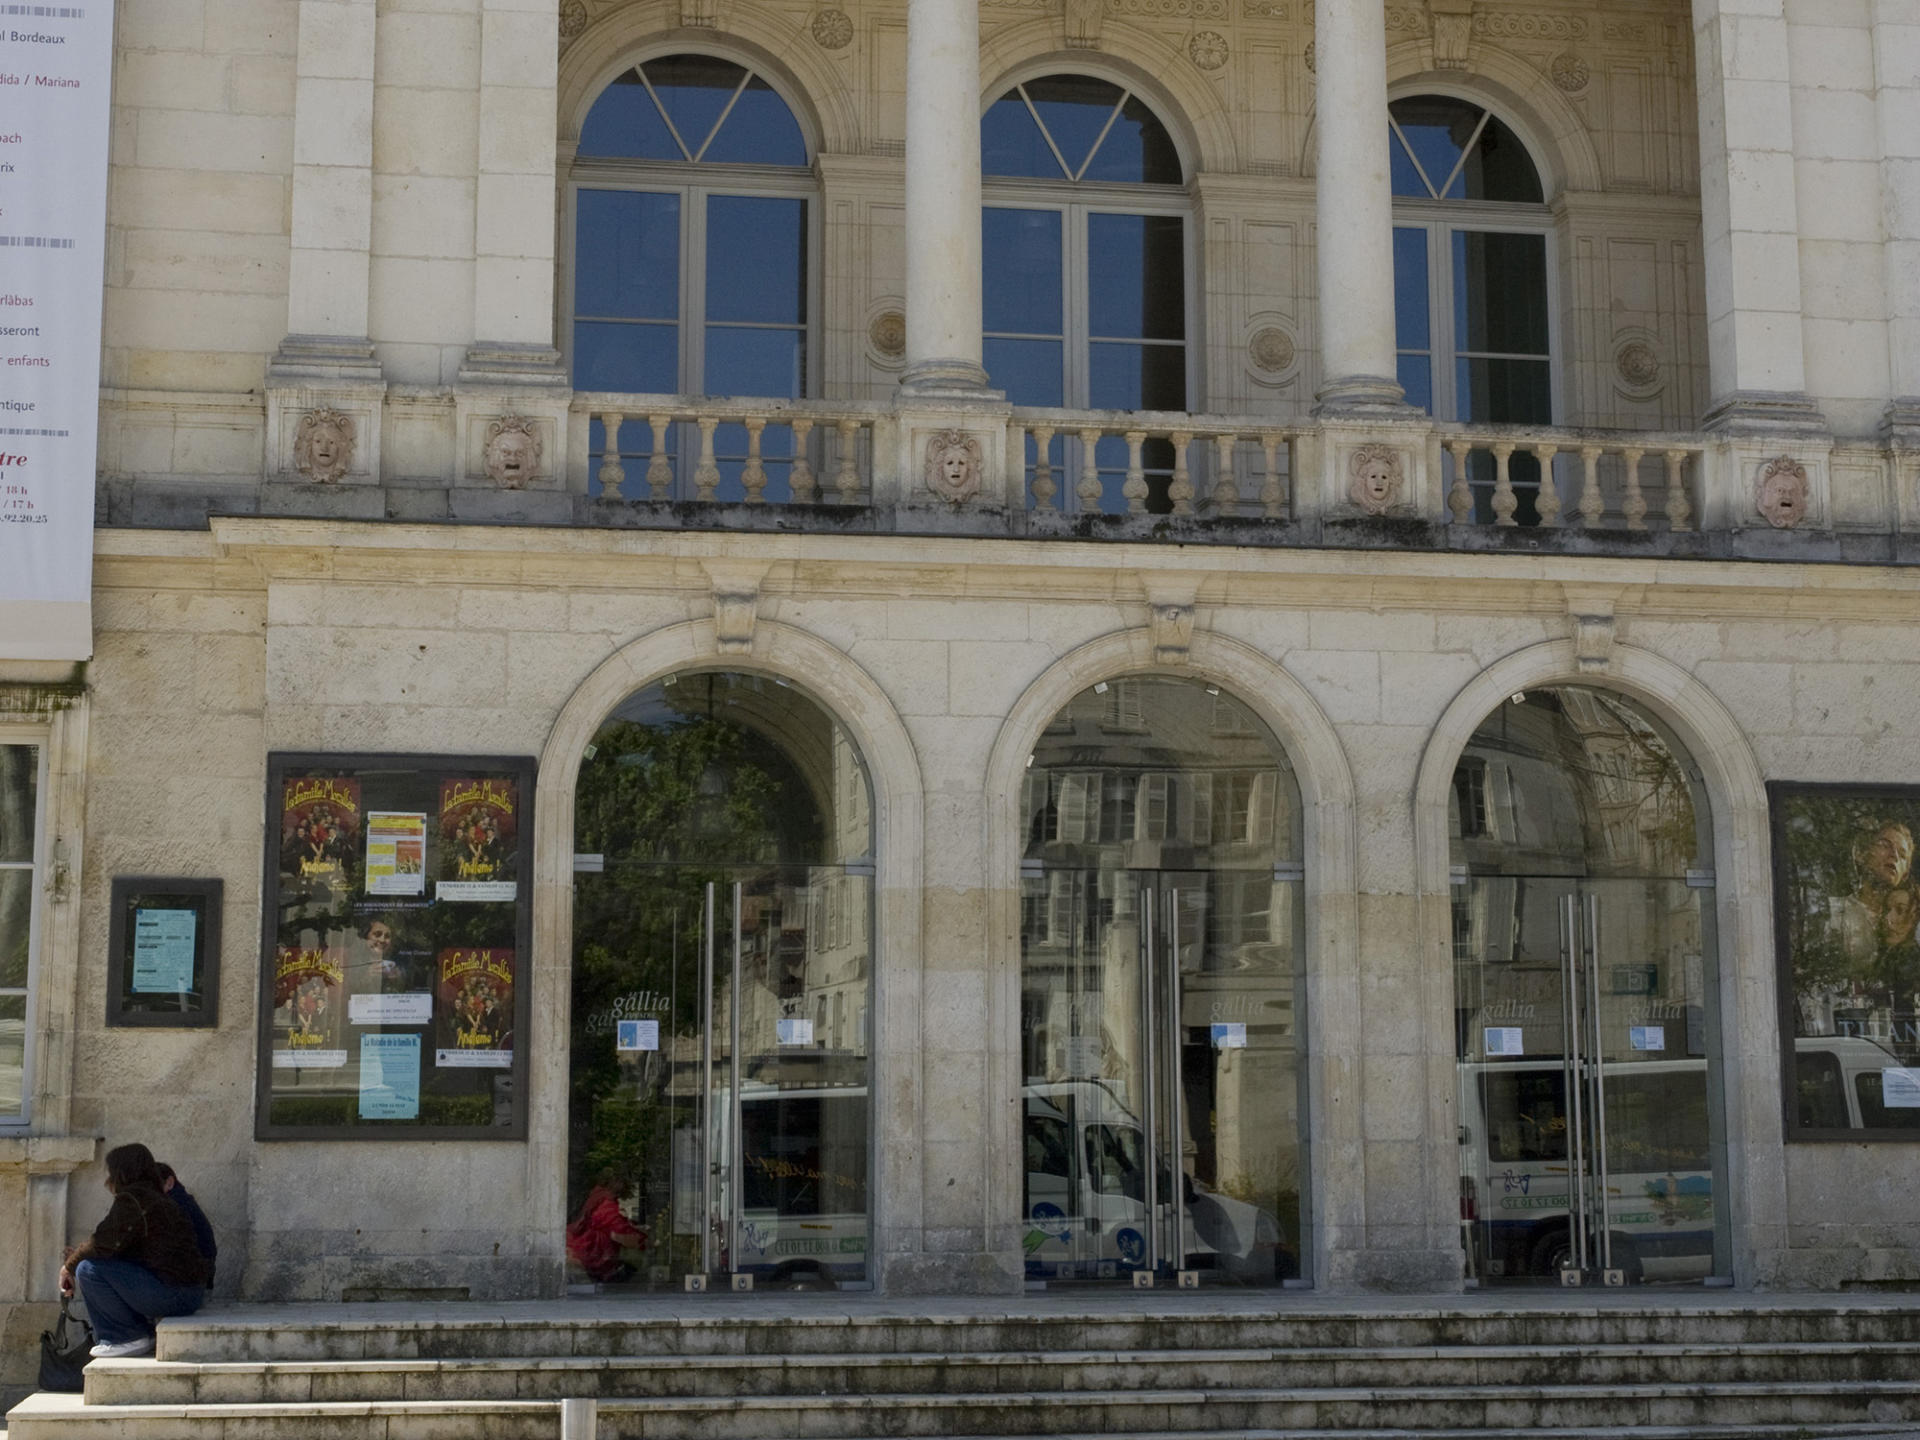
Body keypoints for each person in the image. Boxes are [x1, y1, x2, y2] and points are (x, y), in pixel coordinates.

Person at [60, 1143, 211, 1359]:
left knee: (88, 1269)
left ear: (121, 1173)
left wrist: (68, 1267)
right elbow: (115, 1246)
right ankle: (138, 1333)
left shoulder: (134, 1200)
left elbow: (101, 1242)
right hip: (190, 1293)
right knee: (96, 1265)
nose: (108, 1180)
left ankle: (123, 1336)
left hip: (174, 1295)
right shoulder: (157, 1198)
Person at [565, 1173, 646, 1284]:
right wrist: (643, 1240)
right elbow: (617, 1227)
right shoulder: (605, 1202)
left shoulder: (595, 1197)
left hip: (582, 1249)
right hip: (592, 1253)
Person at [155, 1161, 218, 1287]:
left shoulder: (173, 1206)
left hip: (189, 1283)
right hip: (199, 1278)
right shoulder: (181, 1200)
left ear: (169, 1183)